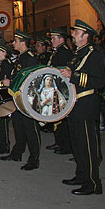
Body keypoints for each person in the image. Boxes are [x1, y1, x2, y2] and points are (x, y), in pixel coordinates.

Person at [60, 19, 105, 195]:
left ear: (86, 36)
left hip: (86, 105)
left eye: (76, 32)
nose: (73, 35)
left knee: (87, 146)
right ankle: (81, 175)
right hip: (75, 105)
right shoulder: (78, 53)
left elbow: (98, 81)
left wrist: (74, 75)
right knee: (77, 144)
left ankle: (93, 183)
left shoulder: (94, 54)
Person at [1, 30, 40, 170]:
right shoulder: (21, 57)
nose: (13, 43)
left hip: (27, 100)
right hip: (18, 99)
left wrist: (10, 84)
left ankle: (34, 159)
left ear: (23, 42)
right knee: (19, 127)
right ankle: (17, 152)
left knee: (30, 129)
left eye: (16, 41)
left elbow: (28, 81)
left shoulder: (29, 58)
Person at [46, 27, 74, 155]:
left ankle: (66, 145)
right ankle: (59, 142)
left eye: (53, 38)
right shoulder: (57, 51)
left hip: (61, 88)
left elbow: (63, 70)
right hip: (55, 88)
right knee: (57, 116)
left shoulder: (65, 52)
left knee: (63, 118)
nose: (51, 41)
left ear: (60, 39)